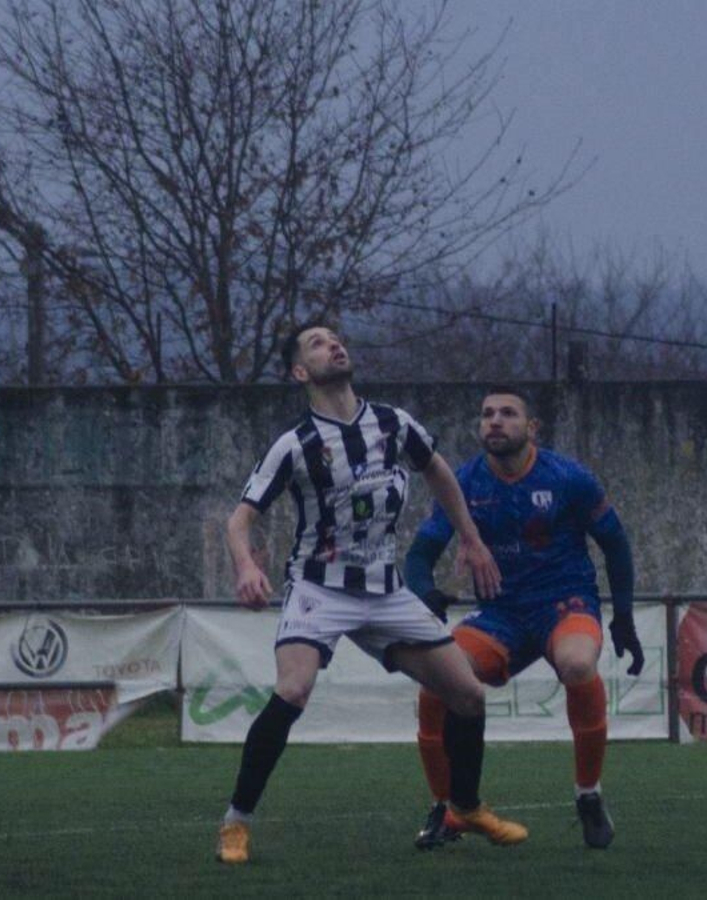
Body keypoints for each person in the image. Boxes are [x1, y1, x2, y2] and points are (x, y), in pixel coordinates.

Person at [216, 323, 528, 864]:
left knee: (469, 695)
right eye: (317, 343)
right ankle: (235, 824)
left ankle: (467, 807)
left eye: (335, 338)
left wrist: (472, 541)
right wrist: (245, 565)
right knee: (292, 691)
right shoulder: (295, 445)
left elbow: (439, 474)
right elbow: (239, 519)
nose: (333, 345)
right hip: (320, 587)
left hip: (386, 592)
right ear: (299, 372)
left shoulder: (393, 423)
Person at [405, 387, 644, 851]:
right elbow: (419, 554)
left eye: (508, 414)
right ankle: (446, 807)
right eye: (487, 414)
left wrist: (625, 618)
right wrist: (425, 592)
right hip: (500, 613)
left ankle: (588, 796)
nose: (495, 421)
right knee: (436, 683)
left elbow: (615, 543)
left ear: (531, 428)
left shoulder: (569, 477)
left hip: (564, 601)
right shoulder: (464, 482)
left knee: (577, 664)